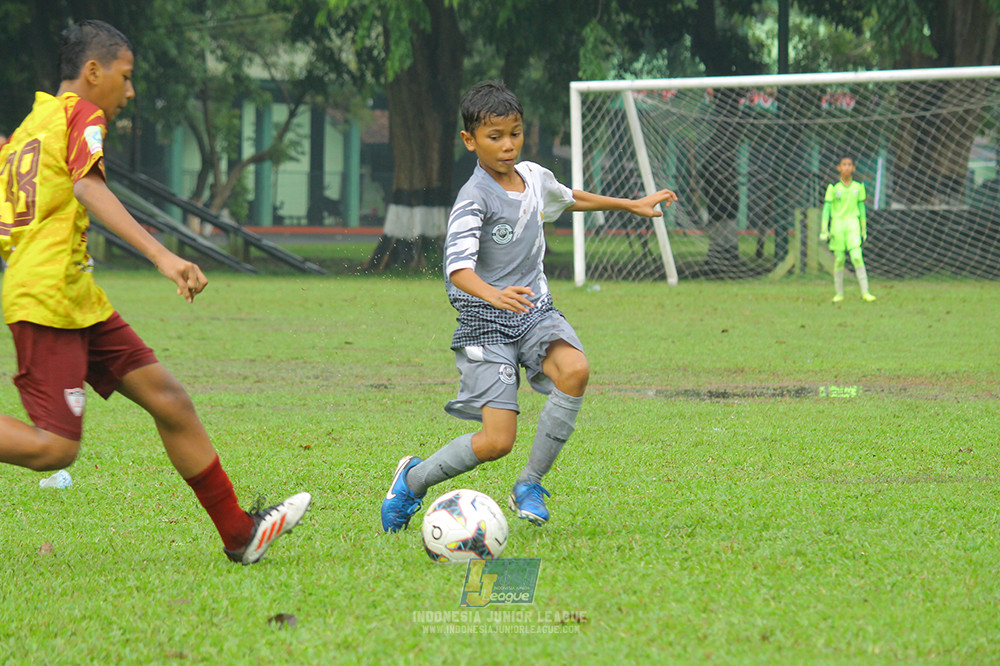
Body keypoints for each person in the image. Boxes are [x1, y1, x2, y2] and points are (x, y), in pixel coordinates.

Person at [0, 20, 310, 564]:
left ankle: (240, 535)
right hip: (49, 298)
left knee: (170, 401)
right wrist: (164, 255)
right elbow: (87, 184)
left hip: (71, 294)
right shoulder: (81, 112)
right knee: (56, 448)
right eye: (126, 76)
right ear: (93, 71)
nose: (131, 90)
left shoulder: (31, 125)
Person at [380, 80, 677, 532]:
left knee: (575, 370)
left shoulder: (534, 177)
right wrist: (493, 293)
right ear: (469, 140)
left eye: (514, 133)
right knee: (497, 441)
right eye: (494, 137)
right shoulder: (472, 199)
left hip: (533, 312)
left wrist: (630, 204)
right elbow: (457, 269)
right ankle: (413, 480)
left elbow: (569, 198)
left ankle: (530, 484)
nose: (507, 145)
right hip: (485, 324)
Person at [820, 157, 876, 303]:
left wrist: (864, 228)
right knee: (839, 260)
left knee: (857, 256)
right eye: (844, 165)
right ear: (839, 168)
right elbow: (826, 208)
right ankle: (839, 293)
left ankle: (866, 292)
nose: (846, 167)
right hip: (837, 225)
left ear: (853, 168)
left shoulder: (858, 187)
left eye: (849, 165)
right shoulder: (833, 187)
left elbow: (861, 208)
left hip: (853, 224)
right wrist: (824, 228)